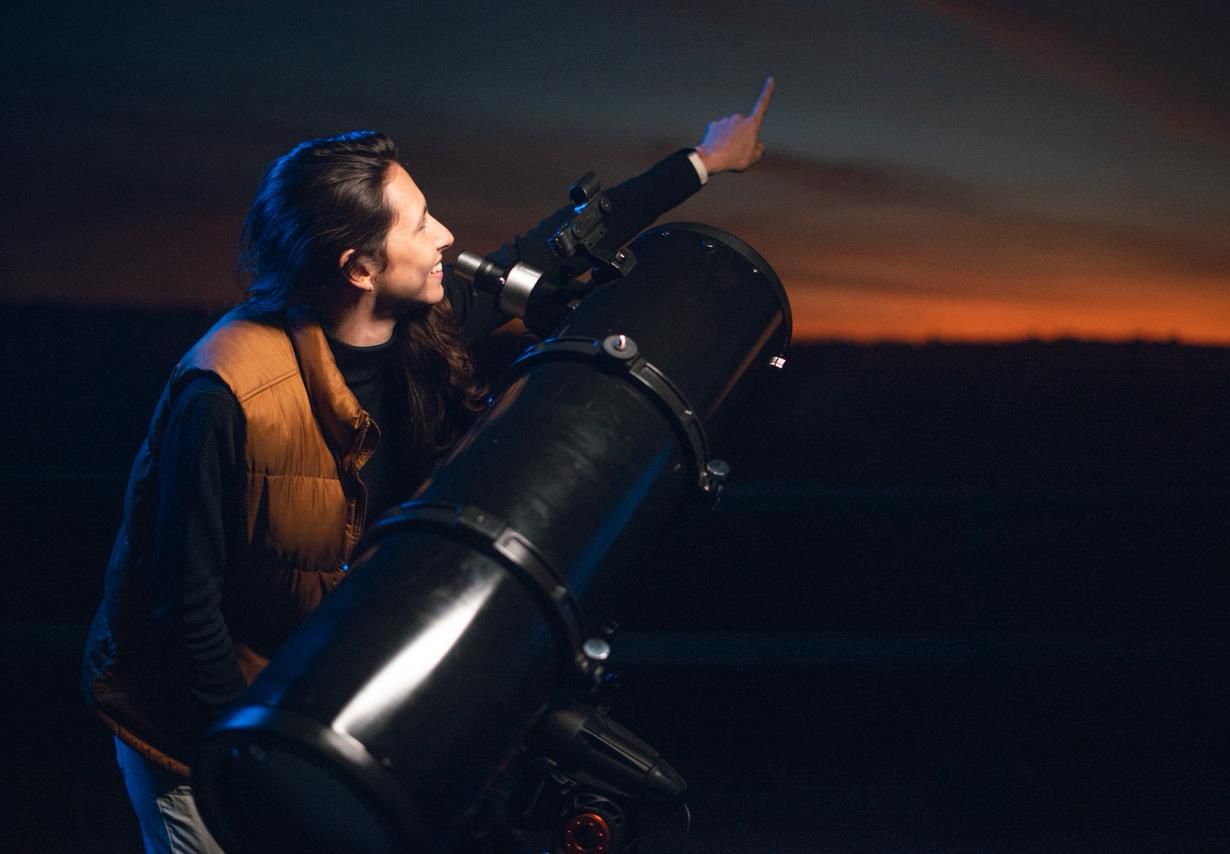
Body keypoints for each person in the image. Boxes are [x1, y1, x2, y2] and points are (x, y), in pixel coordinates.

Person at [81, 77, 775, 852]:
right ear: (358, 267)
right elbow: (183, 610)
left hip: (317, 708)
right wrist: (253, 764)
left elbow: (555, 245)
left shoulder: (419, 329)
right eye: (419, 224)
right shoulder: (227, 392)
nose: (446, 234)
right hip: (195, 736)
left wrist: (705, 161)